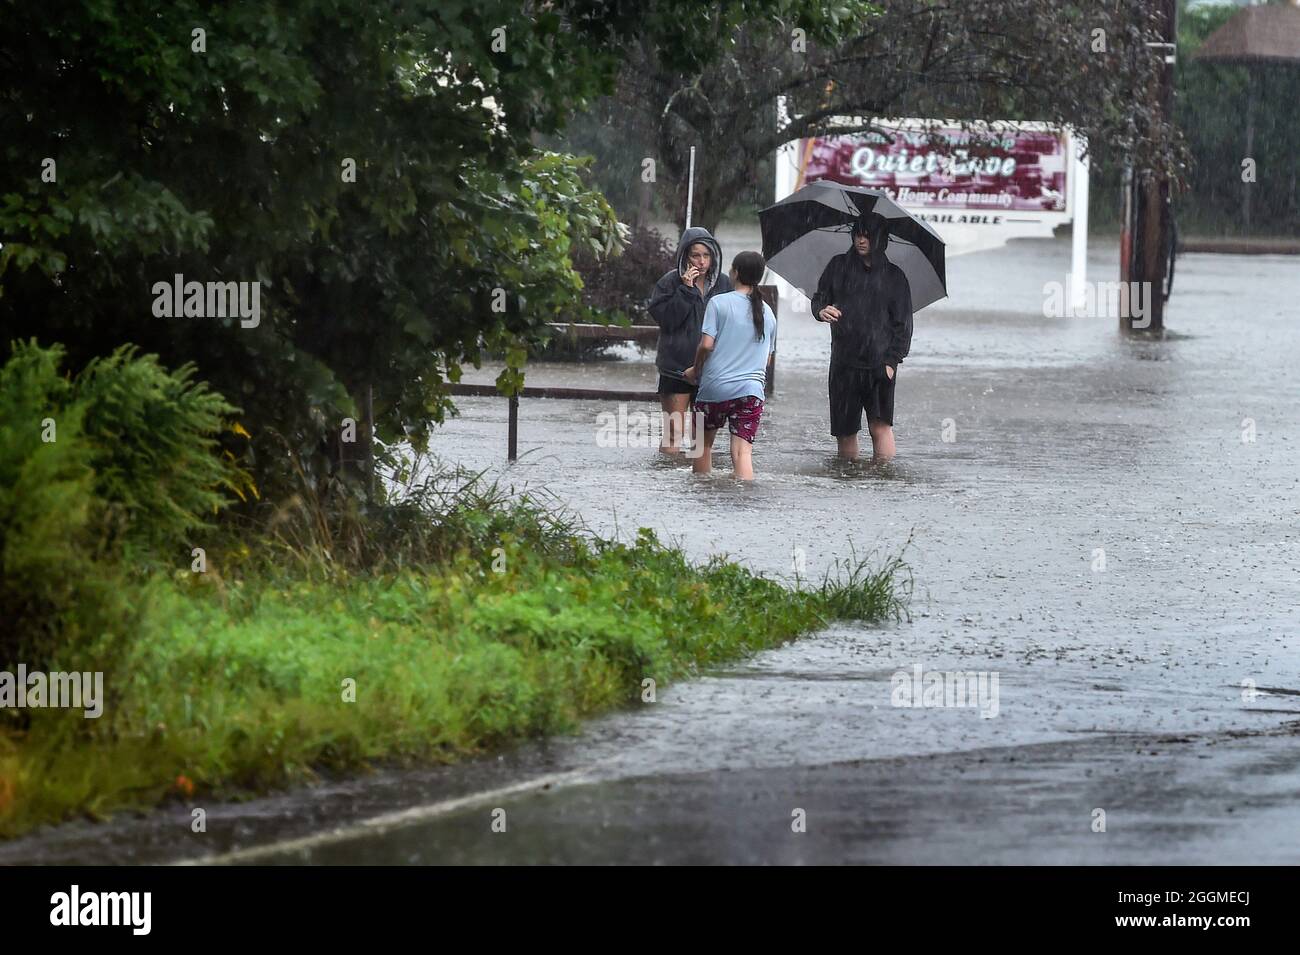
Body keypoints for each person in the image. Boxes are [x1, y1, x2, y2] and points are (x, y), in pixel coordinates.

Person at [810, 212, 913, 462]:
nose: (861, 240)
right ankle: (847, 479)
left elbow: (904, 325)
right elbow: (819, 297)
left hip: (879, 363)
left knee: (880, 427)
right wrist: (821, 310)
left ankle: (882, 480)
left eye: (867, 235)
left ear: (880, 238)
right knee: (844, 431)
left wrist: (891, 362)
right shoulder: (838, 266)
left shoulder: (894, 277)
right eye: (857, 234)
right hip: (843, 362)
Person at [682, 251, 776, 480]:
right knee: (742, 453)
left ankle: (700, 497)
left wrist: (695, 370)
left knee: (702, 446)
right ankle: (744, 502)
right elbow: (767, 360)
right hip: (751, 392)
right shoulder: (769, 314)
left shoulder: (718, 303)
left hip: (715, 389)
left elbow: (706, 345)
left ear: (734, 273)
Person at [647, 227, 732, 455]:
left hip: (711, 369)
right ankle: (667, 482)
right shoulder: (669, 283)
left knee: (702, 438)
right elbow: (667, 321)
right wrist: (685, 290)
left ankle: (698, 485)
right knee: (673, 432)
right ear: (685, 256)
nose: (702, 261)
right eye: (696, 255)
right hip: (676, 368)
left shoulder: (724, 284)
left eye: (707, 255)